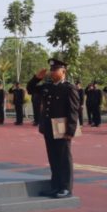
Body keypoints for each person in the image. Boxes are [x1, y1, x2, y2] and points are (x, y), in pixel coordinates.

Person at [27, 58, 79, 199]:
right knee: (53, 158)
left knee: (64, 158)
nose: (52, 72)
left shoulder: (69, 88)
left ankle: (66, 188)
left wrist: (70, 130)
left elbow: (73, 110)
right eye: (51, 70)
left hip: (62, 126)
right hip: (49, 126)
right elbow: (30, 89)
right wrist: (37, 78)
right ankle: (55, 186)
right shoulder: (48, 86)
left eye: (55, 69)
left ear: (63, 71)